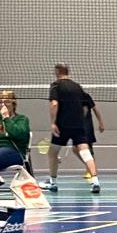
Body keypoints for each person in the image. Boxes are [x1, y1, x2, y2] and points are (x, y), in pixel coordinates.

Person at [44, 63, 104, 194]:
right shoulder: (77, 87)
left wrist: (53, 123)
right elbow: (84, 107)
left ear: (57, 72)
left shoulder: (55, 85)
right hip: (78, 125)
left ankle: (53, 183)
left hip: (62, 125)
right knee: (85, 151)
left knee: (52, 152)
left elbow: (54, 104)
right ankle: (95, 181)